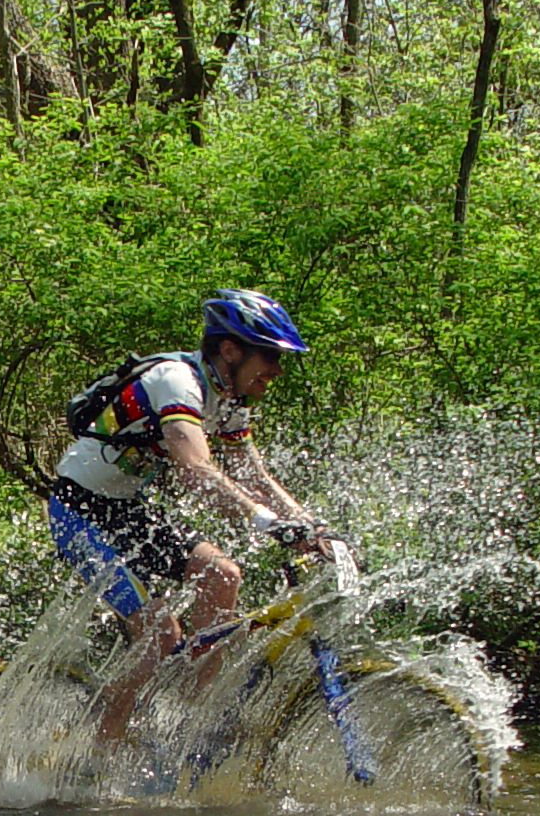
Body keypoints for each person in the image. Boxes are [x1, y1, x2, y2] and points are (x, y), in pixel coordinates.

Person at [47, 289, 332, 745]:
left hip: (125, 509)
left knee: (222, 574)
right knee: (159, 633)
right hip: (77, 509)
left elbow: (250, 473)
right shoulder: (176, 381)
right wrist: (265, 521)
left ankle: (191, 725)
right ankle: (92, 753)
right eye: (269, 357)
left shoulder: (229, 397)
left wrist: (311, 527)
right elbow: (196, 469)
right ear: (229, 349)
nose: (277, 370)